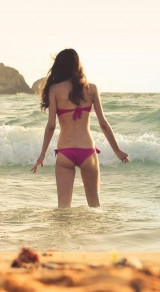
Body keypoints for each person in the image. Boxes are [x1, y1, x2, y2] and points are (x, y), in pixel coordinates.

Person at [31, 48, 128, 207]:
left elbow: (51, 126)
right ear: (78, 65)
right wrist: (117, 151)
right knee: (95, 205)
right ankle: (96, 232)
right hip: (87, 151)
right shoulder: (91, 89)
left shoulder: (54, 90)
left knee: (63, 207)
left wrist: (42, 155)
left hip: (65, 152)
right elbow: (103, 123)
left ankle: (63, 232)